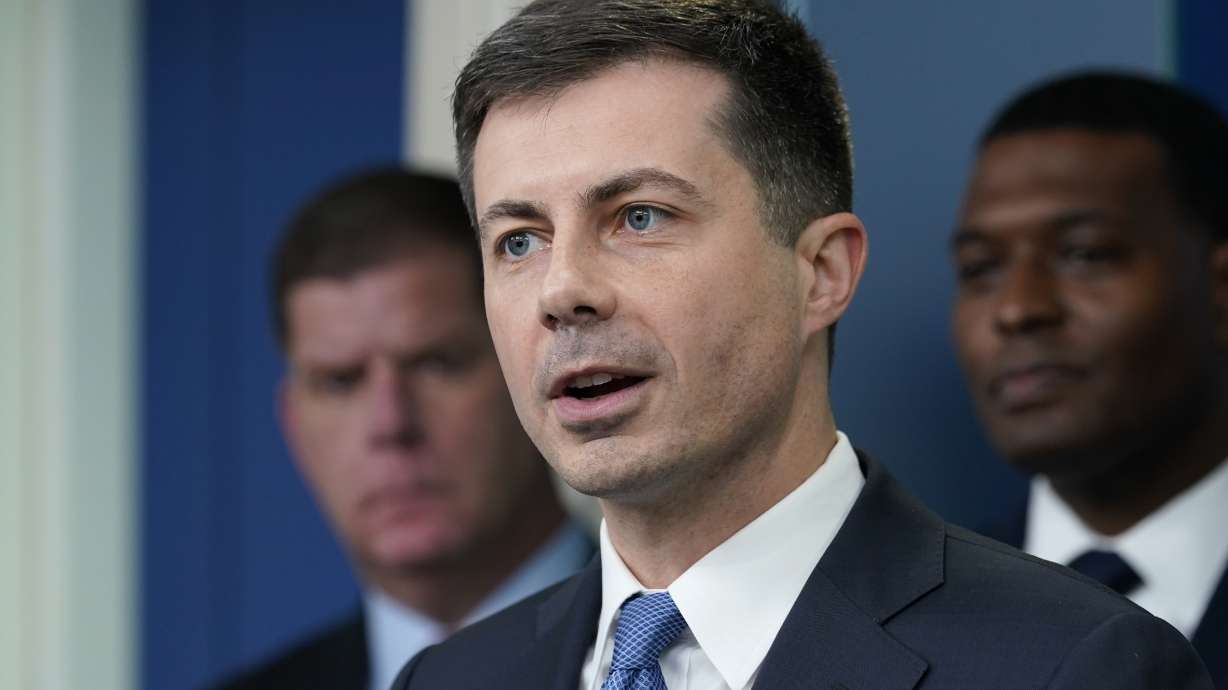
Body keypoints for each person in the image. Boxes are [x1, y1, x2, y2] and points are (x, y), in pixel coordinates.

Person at [394, 2, 1213, 687]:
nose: (561, 289)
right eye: (519, 240)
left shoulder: (1075, 667)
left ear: (821, 272)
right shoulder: (447, 680)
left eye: (639, 217)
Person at [213, 168, 593, 690]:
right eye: (341, 382)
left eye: (437, 364)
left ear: (536, 376)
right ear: (293, 426)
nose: (391, 424)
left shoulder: (686, 651)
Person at [952, 71, 1228, 686]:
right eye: (980, 268)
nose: (1017, 308)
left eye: (1085, 254)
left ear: (1220, 288)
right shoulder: (889, 614)